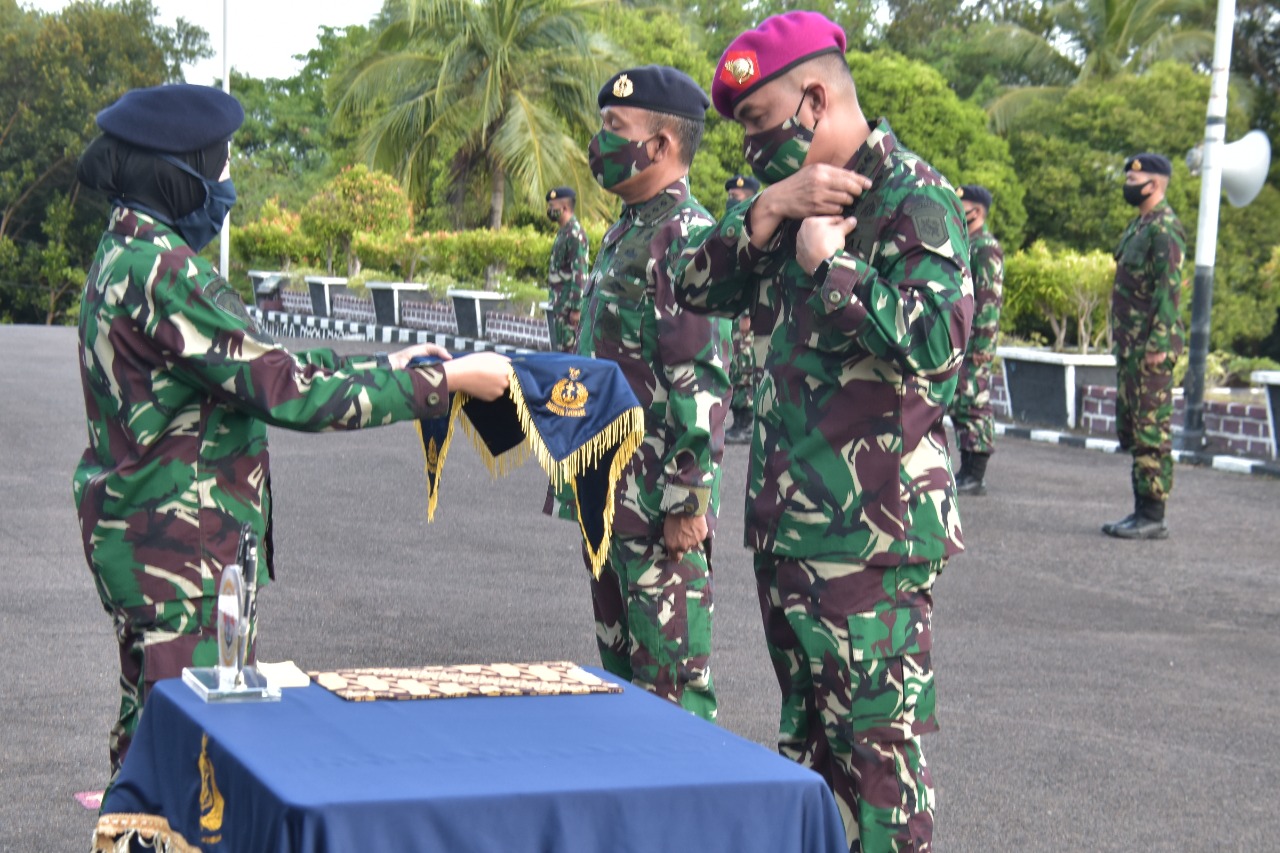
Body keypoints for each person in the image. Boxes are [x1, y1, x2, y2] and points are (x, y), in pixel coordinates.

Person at [72, 84, 512, 781]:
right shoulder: (166, 271)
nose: (226, 185)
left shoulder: (127, 251)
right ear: (177, 171)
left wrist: (383, 363)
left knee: (156, 734)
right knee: (182, 758)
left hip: (152, 541)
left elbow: (250, 363)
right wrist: (446, 384)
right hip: (178, 553)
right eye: (218, 167)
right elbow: (291, 393)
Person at [674, 12, 973, 851]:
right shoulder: (792, 195)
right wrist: (770, 208)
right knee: (809, 761)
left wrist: (829, 266)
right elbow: (695, 284)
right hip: (790, 530)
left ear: (813, 100)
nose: (749, 149)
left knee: (878, 767)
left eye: (760, 127)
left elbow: (935, 344)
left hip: (872, 542)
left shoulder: (915, 199)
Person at [574, 65, 732, 722]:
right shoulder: (626, 230)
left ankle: (692, 823)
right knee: (624, 682)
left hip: (659, 506)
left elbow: (701, 378)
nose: (600, 141)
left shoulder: (685, 237)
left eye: (615, 128)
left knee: (673, 692)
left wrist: (686, 500)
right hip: (610, 495)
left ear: (663, 146)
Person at [1102, 153, 1186, 540]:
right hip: (1131, 345)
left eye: (1136, 179)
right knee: (1134, 427)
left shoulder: (1164, 229)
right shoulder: (1139, 226)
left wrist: (1157, 343)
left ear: (1155, 184)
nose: (1128, 183)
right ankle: (1140, 510)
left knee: (1152, 428)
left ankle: (1152, 515)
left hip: (1150, 349)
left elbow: (1168, 290)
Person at [950, 184, 1004, 495]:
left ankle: (975, 473)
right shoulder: (966, 243)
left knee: (974, 403)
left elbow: (989, 299)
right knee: (961, 402)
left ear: (978, 211)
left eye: (963, 205)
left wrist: (983, 344)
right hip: (962, 335)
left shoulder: (985, 247)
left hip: (976, 340)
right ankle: (967, 468)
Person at [724, 174, 763, 445]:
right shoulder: (736, 225)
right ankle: (739, 421)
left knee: (745, 367)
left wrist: (748, 314)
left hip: (746, 315)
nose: (730, 201)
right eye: (729, 197)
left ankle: (747, 422)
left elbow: (754, 274)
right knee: (736, 367)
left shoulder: (758, 229)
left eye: (735, 198)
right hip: (734, 313)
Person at [545, 186, 590, 352]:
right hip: (560, 305)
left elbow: (580, 274)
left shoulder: (575, 234)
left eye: (552, 207)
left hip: (568, 309)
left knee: (570, 354)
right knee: (562, 350)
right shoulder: (564, 232)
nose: (549, 211)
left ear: (564, 208)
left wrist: (576, 309)